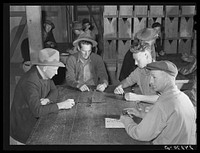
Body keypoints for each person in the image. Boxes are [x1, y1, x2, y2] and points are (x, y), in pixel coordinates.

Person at [120, 60, 196, 144]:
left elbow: (140, 134)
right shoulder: (183, 98)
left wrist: (126, 120)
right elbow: (166, 120)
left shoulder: (163, 103)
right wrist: (140, 114)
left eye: (154, 77)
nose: (150, 82)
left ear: (167, 78)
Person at [10, 48, 75, 144]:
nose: (56, 73)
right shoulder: (30, 81)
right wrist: (61, 105)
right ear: (45, 67)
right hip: (23, 130)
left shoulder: (44, 73)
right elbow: (37, 111)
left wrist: (47, 100)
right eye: (55, 69)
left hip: (34, 120)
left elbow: (54, 90)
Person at [114, 41, 159, 107]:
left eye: (138, 60)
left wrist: (137, 97)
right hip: (148, 109)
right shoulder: (139, 71)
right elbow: (127, 81)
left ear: (146, 55)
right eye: (134, 60)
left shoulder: (159, 71)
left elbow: (162, 98)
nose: (135, 63)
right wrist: (119, 87)